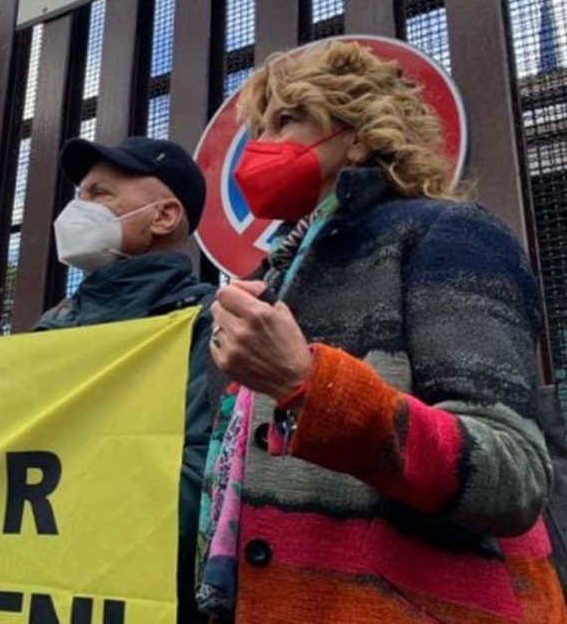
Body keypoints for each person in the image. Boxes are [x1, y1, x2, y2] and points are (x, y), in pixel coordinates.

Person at [200, 39, 565, 621]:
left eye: (288, 120)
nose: (261, 147)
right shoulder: (274, 273)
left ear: (360, 136)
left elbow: (513, 474)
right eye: (259, 128)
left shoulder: (450, 236)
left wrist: (306, 385)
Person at [33, 135, 220, 623]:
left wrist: (61, 501)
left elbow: (209, 480)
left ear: (164, 216)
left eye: (101, 193)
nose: (79, 208)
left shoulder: (208, 323)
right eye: (79, 196)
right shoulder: (48, 330)